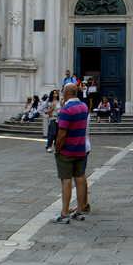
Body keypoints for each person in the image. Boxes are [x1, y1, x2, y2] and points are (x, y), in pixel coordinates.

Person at [54, 83, 88, 224]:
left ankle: (64, 213)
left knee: (66, 181)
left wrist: (57, 147)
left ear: (67, 93)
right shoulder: (84, 107)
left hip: (67, 150)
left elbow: (62, 133)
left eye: (63, 91)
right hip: (81, 148)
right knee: (80, 179)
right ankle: (79, 211)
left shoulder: (66, 110)